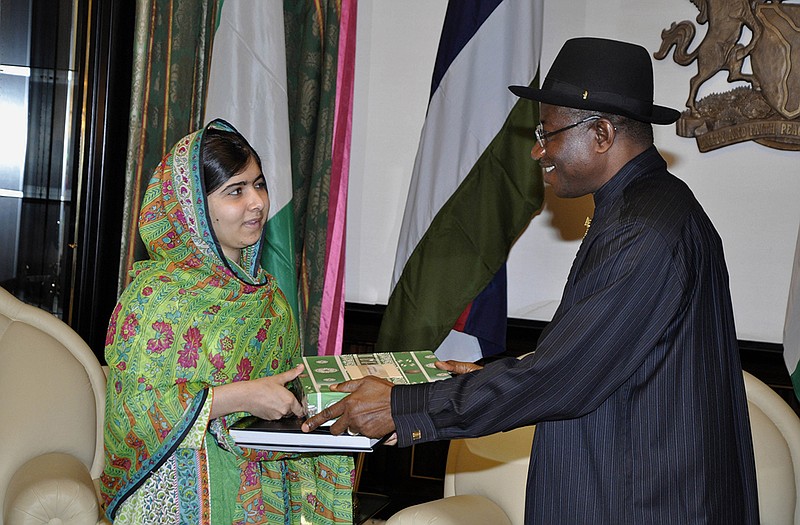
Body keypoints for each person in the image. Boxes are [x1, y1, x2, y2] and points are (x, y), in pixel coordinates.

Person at [303, 38, 760, 523]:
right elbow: (605, 362)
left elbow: (565, 377)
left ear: (602, 133)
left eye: (548, 132)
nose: (537, 151)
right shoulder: (650, 207)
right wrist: (493, 380)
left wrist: (406, 405)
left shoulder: (642, 230)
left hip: (641, 503)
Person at [101, 120, 354, 524]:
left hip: (261, 492)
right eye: (235, 191)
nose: (256, 202)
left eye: (259, 184)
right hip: (176, 494)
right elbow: (135, 411)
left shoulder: (270, 299)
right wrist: (240, 397)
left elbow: (282, 395)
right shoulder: (156, 297)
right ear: (195, 208)